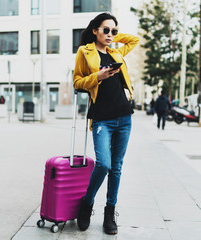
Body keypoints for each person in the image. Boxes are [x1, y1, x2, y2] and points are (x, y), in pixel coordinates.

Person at [73, 12, 139, 235]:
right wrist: (98, 77)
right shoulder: (85, 51)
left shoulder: (116, 52)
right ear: (95, 30)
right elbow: (77, 81)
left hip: (124, 116)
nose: (111, 34)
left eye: (114, 31)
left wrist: (113, 37)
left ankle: (109, 213)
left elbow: (135, 40)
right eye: (106, 30)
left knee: (117, 168)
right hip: (102, 117)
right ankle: (87, 203)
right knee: (104, 164)